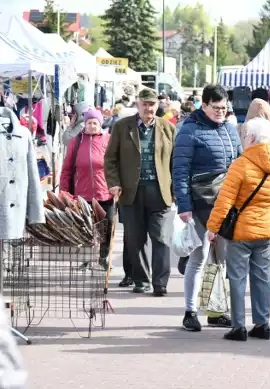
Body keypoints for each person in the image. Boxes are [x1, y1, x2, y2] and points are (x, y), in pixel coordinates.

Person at [206, 117, 270, 341]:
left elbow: (225, 200)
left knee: (237, 278)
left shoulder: (241, 164)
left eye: (244, 136)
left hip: (241, 232)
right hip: (266, 231)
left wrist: (213, 227)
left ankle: (238, 326)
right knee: (262, 277)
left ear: (251, 138)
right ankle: (262, 324)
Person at [173, 84, 243, 331]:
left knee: (222, 259)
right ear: (203, 105)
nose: (221, 112)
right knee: (199, 257)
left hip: (226, 204)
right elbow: (180, 170)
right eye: (216, 108)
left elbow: (240, 163)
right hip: (200, 203)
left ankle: (216, 309)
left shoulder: (230, 130)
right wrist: (183, 205)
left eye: (224, 108)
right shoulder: (189, 130)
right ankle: (190, 311)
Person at [104, 88, 176, 296]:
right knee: (136, 239)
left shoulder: (167, 128)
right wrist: (114, 183)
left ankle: (160, 283)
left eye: (152, 104)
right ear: (137, 104)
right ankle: (141, 280)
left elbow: (175, 161)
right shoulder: (121, 127)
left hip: (159, 190)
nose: (149, 108)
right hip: (130, 191)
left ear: (157, 106)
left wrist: (175, 189)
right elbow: (110, 159)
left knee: (161, 238)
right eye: (144, 104)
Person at [59, 109, 114, 269]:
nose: (92, 126)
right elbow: (67, 169)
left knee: (107, 227)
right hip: (82, 195)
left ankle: (103, 257)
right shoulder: (76, 142)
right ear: (85, 124)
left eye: (95, 123)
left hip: (104, 193)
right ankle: (87, 258)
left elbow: (115, 165)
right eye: (89, 123)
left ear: (100, 124)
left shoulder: (108, 140)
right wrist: (64, 192)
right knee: (85, 228)